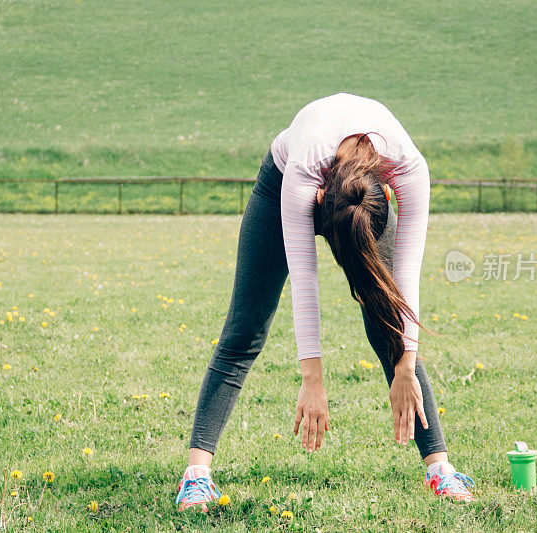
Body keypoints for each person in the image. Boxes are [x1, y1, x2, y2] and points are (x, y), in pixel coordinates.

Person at [175, 93, 474, 511]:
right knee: (246, 327)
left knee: (386, 318)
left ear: (386, 198)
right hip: (280, 180)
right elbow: (305, 280)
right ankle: (197, 477)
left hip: (359, 196)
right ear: (318, 203)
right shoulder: (303, 176)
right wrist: (311, 379)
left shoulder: (408, 168)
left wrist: (406, 363)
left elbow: (405, 279)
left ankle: (440, 468)